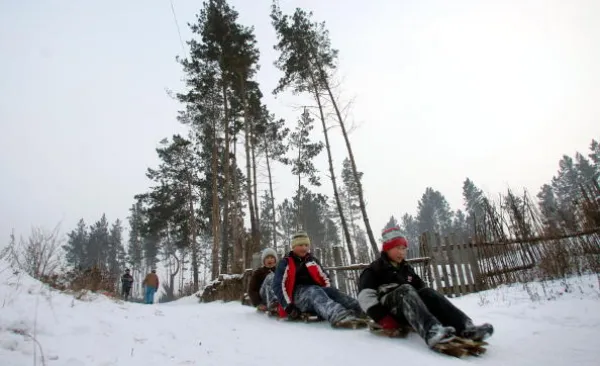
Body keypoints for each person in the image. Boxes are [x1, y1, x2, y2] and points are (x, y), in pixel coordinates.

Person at [358, 226, 494, 348]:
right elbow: (365, 298)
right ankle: (432, 331)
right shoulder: (375, 269)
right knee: (405, 289)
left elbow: (422, 290)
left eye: (404, 248)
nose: (402, 252)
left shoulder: (406, 269)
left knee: (428, 292)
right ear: (387, 249)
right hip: (391, 312)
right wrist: (384, 319)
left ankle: (466, 327)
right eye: (397, 248)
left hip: (411, 311)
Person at [272, 231, 367, 328]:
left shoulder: (312, 260)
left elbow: (325, 278)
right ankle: (338, 315)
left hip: (316, 292)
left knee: (332, 291)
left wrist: (329, 293)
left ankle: (362, 309)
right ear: (293, 246)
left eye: (306, 245)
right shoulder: (285, 262)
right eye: (300, 245)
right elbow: (277, 285)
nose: (304, 248)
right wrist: (288, 306)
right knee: (313, 290)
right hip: (297, 296)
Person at [248, 248, 279, 314]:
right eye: (267, 258)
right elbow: (252, 290)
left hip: (277, 296)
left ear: (275, 260)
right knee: (270, 276)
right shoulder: (258, 273)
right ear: (263, 261)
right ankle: (273, 304)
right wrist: (258, 304)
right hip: (263, 296)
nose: (270, 259)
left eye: (272, 258)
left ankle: (278, 305)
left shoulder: (279, 272)